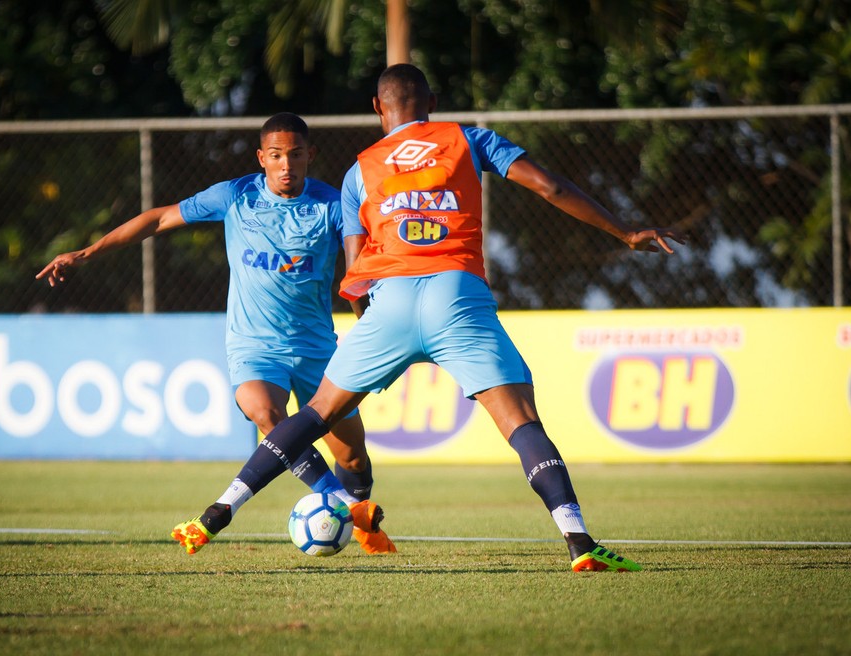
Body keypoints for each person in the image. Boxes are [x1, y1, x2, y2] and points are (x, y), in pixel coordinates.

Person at [175, 64, 686, 572]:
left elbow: (356, 272)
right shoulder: (468, 138)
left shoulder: (359, 171)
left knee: (315, 414)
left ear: (378, 108)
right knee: (521, 422)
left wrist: (372, 331)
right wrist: (624, 232)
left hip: (390, 304)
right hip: (456, 294)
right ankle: (578, 541)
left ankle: (217, 514)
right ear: (432, 102)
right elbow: (549, 188)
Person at [35, 112, 396, 555]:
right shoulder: (235, 195)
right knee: (266, 414)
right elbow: (159, 219)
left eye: (296, 155)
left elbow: (361, 269)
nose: (287, 165)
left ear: (310, 156)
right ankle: (349, 509)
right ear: (262, 158)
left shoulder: (333, 205)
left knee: (353, 457)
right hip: (254, 347)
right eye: (277, 156)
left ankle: (358, 516)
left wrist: (373, 323)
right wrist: (87, 253)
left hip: (318, 349)